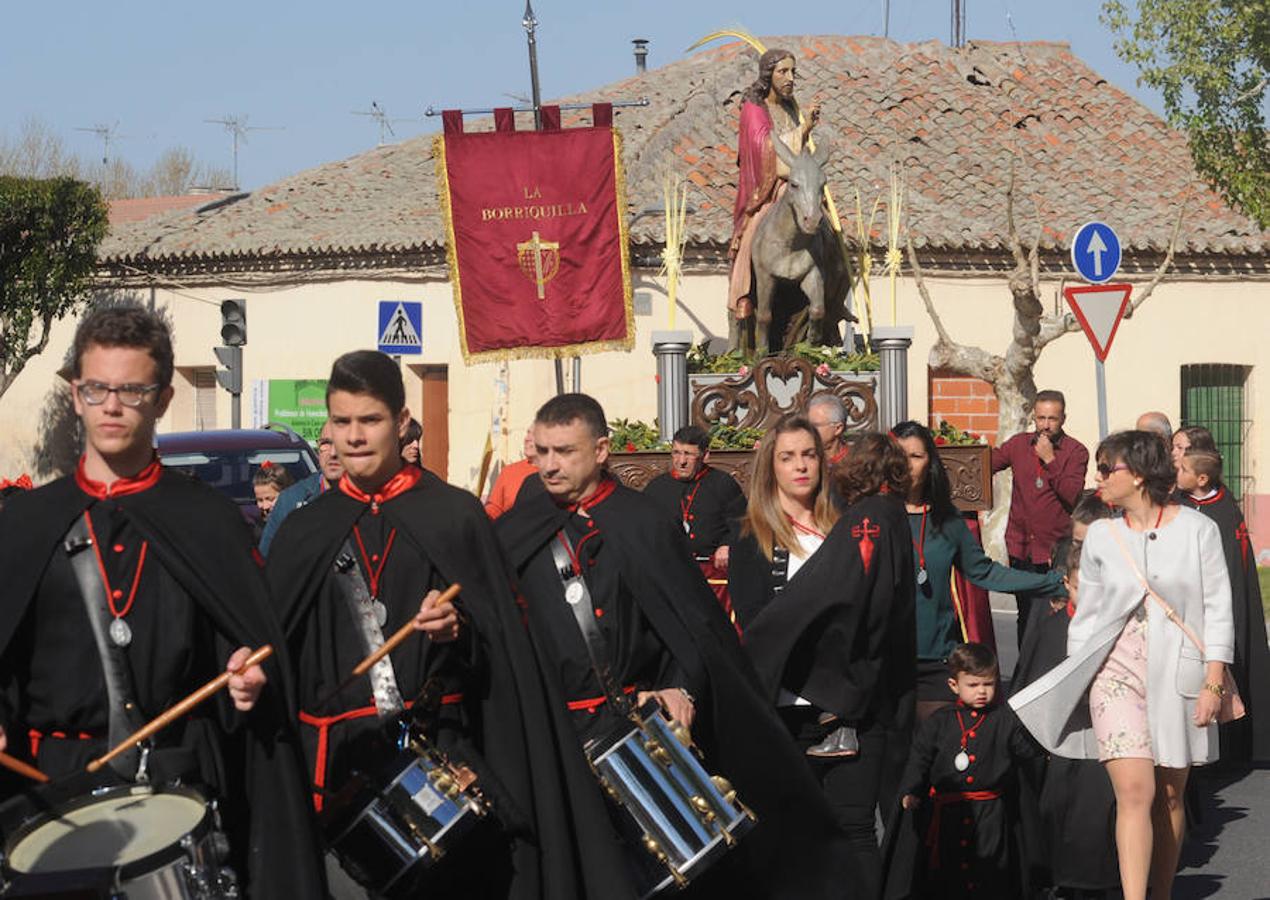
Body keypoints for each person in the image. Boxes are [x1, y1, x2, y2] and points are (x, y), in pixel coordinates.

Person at [267, 353, 621, 899]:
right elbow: (282, 658)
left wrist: (457, 629)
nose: (354, 437)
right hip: (338, 772)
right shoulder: (303, 530)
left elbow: (507, 653)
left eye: (370, 421)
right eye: (341, 423)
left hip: (445, 761)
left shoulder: (454, 516)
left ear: (402, 421)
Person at [0, 305, 324, 897]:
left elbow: (246, 649)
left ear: (164, 397)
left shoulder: (209, 523)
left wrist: (248, 680)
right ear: (75, 394)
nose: (112, 406)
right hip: (51, 791)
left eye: (131, 389)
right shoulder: (22, 523)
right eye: (96, 388)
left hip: (178, 784)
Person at [496, 393, 856, 899]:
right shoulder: (513, 533)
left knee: (662, 877)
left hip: (635, 729)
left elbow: (691, 626)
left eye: (565, 452)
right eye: (543, 452)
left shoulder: (641, 521)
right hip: (554, 736)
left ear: (601, 450)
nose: (550, 465)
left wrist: (678, 685)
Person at [1010, 430, 1235, 900]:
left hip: (1180, 674)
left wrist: (1215, 680)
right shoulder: (1101, 538)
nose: (1099, 476)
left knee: (1170, 796)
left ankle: (1160, 892)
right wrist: (1079, 681)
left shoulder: (1199, 530)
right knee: (1135, 793)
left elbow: (1218, 607)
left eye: (1106, 467)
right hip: (1115, 676)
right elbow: (1085, 620)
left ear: (1137, 474)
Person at [743, 431, 915, 900]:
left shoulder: (860, 522)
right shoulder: (754, 537)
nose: (801, 466)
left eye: (809, 456)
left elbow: (860, 601)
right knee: (787, 824)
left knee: (853, 823)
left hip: (845, 697)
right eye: (787, 457)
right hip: (786, 701)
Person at [892, 421, 1062, 721]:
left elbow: (986, 573)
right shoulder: (872, 516)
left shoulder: (948, 520)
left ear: (930, 461)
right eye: (899, 455)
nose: (906, 465)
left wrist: (1053, 583)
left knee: (938, 756)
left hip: (937, 661)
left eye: (916, 456)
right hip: (886, 660)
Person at [887, 643, 1040, 899]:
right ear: (954, 685)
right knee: (949, 874)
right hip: (947, 814)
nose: (982, 691)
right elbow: (919, 759)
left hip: (991, 815)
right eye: (973, 685)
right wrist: (911, 789)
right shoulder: (940, 721)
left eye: (989, 684)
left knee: (990, 872)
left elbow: (1026, 752)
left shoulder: (1004, 720)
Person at [1012, 537, 1120, 899]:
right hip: (1060, 744)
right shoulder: (1050, 628)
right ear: (1067, 585)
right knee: (1061, 811)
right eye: (1080, 586)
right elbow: (1033, 683)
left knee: (1102, 814)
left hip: (1106, 737)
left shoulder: (1117, 631)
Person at [1176, 448, 1270, 762]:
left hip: (1219, 605)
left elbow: (1230, 568)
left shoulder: (1224, 511)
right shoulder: (1179, 504)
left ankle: (1231, 748)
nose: (1176, 469)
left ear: (1201, 478)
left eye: (1182, 467)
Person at [727, 47, 821, 351]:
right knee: (755, 232)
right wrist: (802, 130)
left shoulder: (791, 106)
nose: (790, 78)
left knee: (825, 227)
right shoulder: (753, 109)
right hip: (766, 190)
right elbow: (766, 151)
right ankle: (743, 295)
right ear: (768, 75)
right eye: (783, 72)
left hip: (796, 184)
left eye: (793, 72)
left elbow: (801, 156)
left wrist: (804, 134)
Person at [991, 390, 1089, 647]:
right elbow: (987, 463)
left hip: (1055, 549)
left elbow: (1072, 496)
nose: (1045, 425)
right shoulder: (1018, 444)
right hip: (1020, 546)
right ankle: (1024, 672)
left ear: (1063, 418)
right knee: (1024, 613)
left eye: (1052, 419)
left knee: (1054, 615)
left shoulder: (1075, 451)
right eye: (1041, 418)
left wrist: (1049, 459)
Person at [644, 424, 746, 622]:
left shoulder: (722, 484)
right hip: (671, 572)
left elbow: (743, 521)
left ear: (705, 455)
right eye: (676, 453)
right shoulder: (656, 488)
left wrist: (727, 544)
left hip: (714, 574)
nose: (681, 461)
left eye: (689, 454)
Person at [258, 422, 344, 556]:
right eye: (326, 443)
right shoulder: (290, 500)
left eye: (341, 443)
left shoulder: (370, 498)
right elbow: (266, 559)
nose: (333, 453)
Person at [484, 427, 539, 519]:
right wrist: (481, 515)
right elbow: (495, 508)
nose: (527, 438)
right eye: (528, 433)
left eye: (534, 434)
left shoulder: (557, 473)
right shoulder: (509, 471)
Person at [807, 393, 851, 474]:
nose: (809, 430)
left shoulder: (855, 462)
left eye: (815, 425)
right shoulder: (804, 460)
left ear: (838, 428)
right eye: (808, 425)